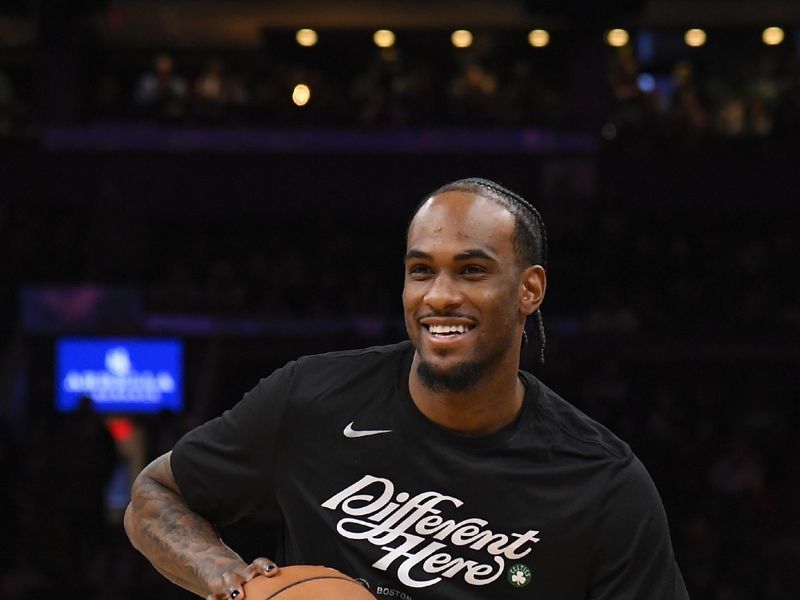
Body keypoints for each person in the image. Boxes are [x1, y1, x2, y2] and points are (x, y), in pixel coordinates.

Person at [125, 178, 689, 599]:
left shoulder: (605, 485)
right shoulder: (311, 398)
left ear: (529, 290)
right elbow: (155, 496)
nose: (439, 296)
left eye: (472, 270)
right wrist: (231, 582)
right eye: (422, 270)